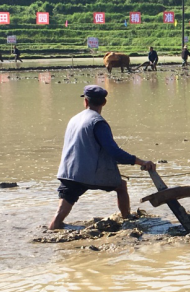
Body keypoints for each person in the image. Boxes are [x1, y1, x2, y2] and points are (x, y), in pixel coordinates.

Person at [48, 85, 156, 230]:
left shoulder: (74, 119)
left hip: (67, 172)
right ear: (104, 102)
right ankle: (127, 219)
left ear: (85, 101)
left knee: (62, 209)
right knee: (121, 186)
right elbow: (114, 152)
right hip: (86, 173)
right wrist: (142, 162)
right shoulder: (98, 122)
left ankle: (55, 225)